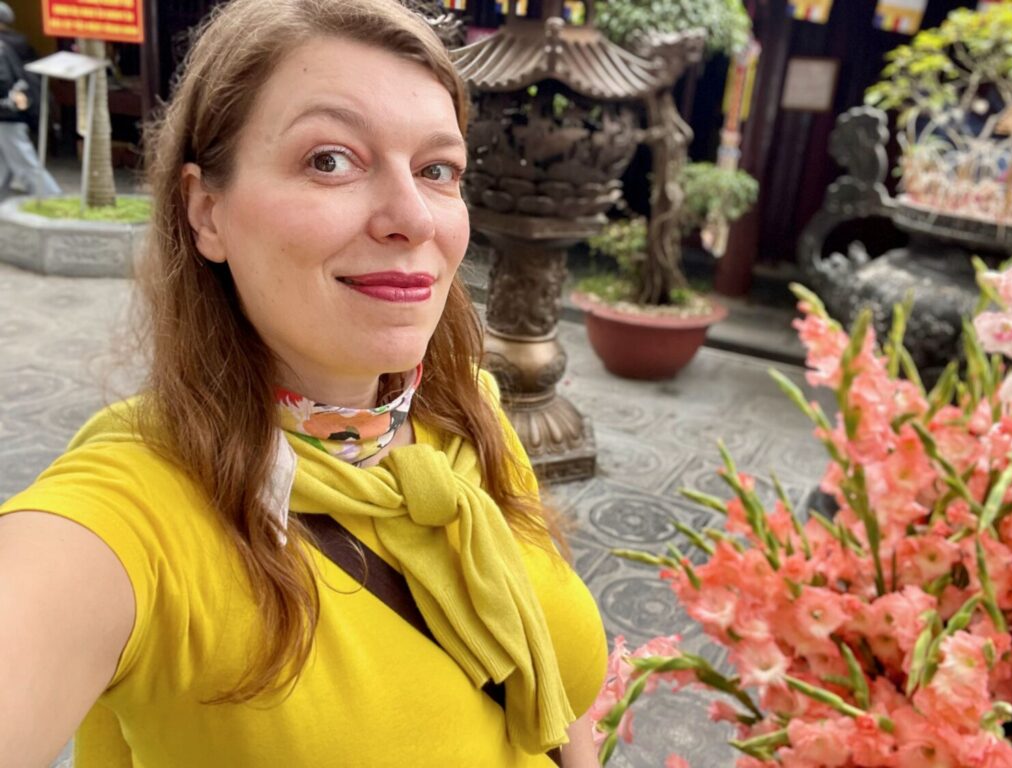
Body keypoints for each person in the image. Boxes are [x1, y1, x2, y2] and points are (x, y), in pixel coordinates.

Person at [0, 1, 607, 767]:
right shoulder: (137, 509)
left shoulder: (467, 412)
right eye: (330, 160)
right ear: (206, 212)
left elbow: (559, 695)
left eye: (436, 170)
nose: (413, 217)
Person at [0, 1, 60, 198]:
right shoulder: (20, 42)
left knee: (23, 160)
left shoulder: (2, 45)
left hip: (6, 111)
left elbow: (3, 80)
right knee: (6, 159)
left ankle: (50, 197)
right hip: (18, 106)